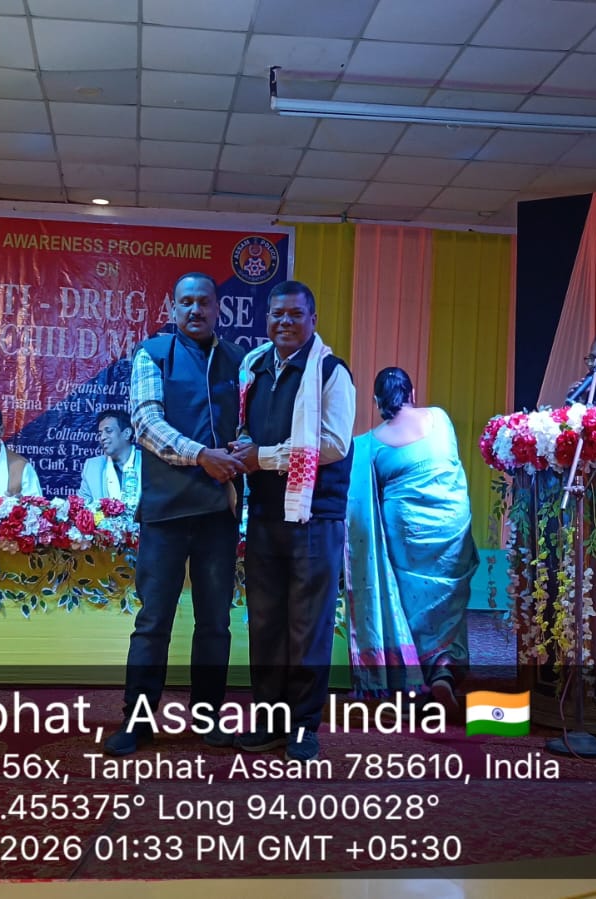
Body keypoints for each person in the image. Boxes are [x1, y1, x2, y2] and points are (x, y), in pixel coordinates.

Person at [105, 272, 245, 757]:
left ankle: (208, 718)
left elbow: (246, 426)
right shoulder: (153, 354)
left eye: (204, 302)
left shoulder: (238, 361)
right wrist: (202, 455)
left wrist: (242, 449)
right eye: (186, 302)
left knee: (215, 623)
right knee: (153, 621)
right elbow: (145, 423)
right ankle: (137, 721)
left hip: (218, 513)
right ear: (173, 308)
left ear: (217, 308)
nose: (195, 310)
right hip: (164, 513)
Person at [230, 280, 356, 762]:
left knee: (308, 626)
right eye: (277, 314)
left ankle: (303, 725)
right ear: (267, 319)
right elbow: (245, 426)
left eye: (295, 314)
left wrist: (263, 457)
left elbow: (334, 445)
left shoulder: (330, 372)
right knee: (265, 624)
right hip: (265, 514)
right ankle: (268, 719)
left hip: (314, 517)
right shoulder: (254, 365)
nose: (284, 322)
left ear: (313, 320)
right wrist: (244, 448)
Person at [345, 367, 478, 710]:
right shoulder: (440, 419)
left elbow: (363, 500)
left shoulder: (370, 445)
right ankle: (444, 670)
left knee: (411, 604)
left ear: (376, 401)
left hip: (405, 531)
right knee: (448, 602)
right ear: (412, 393)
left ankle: (415, 677)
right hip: (451, 525)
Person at [77, 408, 141, 507]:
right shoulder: (92, 467)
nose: (102, 437)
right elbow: (81, 507)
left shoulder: (149, 464)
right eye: (100, 433)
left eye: (109, 431)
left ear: (127, 433)